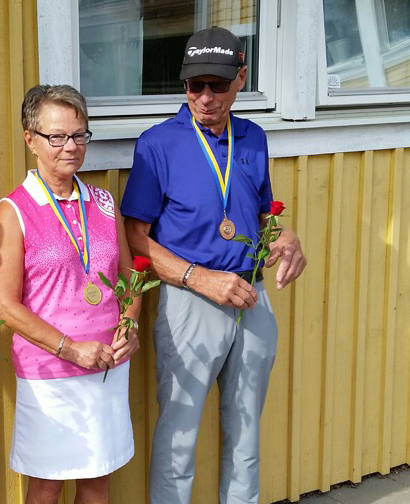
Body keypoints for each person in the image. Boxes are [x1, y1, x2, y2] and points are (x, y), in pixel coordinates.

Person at [121, 28, 307, 504]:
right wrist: (200, 279)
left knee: (246, 434)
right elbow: (137, 236)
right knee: (179, 435)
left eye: (217, 85)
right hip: (190, 301)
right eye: (194, 84)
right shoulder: (158, 144)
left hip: (252, 297)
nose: (204, 97)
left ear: (240, 78)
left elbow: (263, 213)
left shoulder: (254, 136)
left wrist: (284, 237)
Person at [0, 84, 140, 504]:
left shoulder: (105, 202)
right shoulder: (15, 209)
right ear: (30, 140)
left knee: (97, 480)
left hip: (106, 365)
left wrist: (130, 323)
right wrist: (71, 348)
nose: (70, 146)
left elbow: (129, 279)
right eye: (57, 136)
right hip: (50, 373)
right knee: (48, 484)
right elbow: (3, 305)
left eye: (79, 134)